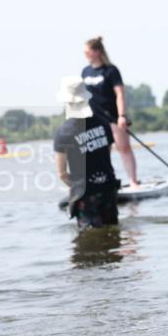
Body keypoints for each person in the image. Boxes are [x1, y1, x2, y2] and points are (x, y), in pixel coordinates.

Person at [54, 77, 121, 229]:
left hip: (86, 195)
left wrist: (79, 186)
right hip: (109, 187)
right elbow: (106, 153)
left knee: (89, 242)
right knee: (112, 233)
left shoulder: (64, 132)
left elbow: (62, 174)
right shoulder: (103, 123)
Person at [82, 36, 140, 187]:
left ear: (97, 52)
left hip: (112, 117)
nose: (85, 55)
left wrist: (122, 116)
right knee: (101, 154)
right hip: (95, 120)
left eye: (87, 52)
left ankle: (133, 181)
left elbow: (120, 94)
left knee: (124, 148)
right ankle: (104, 182)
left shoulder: (111, 70)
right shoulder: (85, 72)